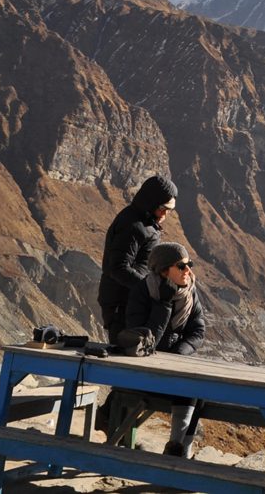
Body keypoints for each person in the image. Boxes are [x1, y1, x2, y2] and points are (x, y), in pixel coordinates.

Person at [124, 241, 208, 457]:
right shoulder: (142, 292)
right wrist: (165, 304)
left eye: (189, 264)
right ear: (163, 270)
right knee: (192, 388)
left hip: (174, 365)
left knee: (200, 388)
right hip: (143, 371)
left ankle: (178, 449)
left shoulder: (189, 292)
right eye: (181, 266)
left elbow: (197, 332)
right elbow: (145, 340)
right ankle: (181, 453)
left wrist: (179, 355)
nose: (188, 270)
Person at [97, 174, 177, 338]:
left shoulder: (145, 222)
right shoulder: (133, 225)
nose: (165, 214)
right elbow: (118, 267)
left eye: (169, 210)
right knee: (125, 350)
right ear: (151, 202)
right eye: (162, 208)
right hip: (123, 303)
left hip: (132, 299)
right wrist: (148, 288)